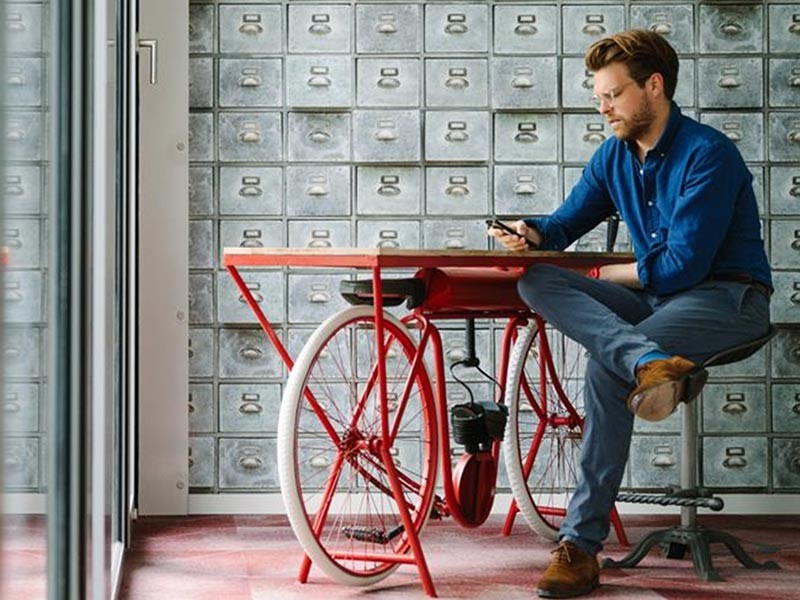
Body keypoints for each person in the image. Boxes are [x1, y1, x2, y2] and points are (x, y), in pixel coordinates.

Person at [488, 30, 771, 599]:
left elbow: (684, 267)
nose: (604, 107)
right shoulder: (613, 154)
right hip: (659, 302)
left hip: (727, 299)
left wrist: (603, 275)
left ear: (654, 86)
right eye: (599, 97)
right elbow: (564, 226)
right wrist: (531, 233)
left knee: (604, 366)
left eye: (613, 94)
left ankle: (580, 548)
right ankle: (649, 360)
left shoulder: (708, 154)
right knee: (538, 277)